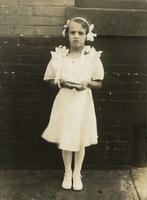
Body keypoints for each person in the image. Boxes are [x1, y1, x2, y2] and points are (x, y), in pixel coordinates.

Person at [41, 16, 104, 191]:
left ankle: (77, 172)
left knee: (80, 137)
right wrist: (61, 82)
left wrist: (87, 83)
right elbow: (49, 81)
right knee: (66, 136)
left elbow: (99, 82)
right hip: (65, 103)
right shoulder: (59, 57)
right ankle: (67, 172)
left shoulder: (91, 58)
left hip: (82, 103)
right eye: (72, 32)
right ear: (67, 34)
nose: (76, 36)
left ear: (87, 36)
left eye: (80, 33)